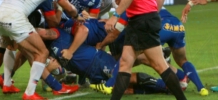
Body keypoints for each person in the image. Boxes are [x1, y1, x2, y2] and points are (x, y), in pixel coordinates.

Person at [0, 0, 82, 100]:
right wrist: (77, 16)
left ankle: (9, 83)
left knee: (21, 49)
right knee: (42, 53)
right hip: (15, 17)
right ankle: (30, 93)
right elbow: (69, 8)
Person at [95, 8, 208, 96]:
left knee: (130, 53)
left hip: (162, 25)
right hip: (177, 25)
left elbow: (119, 29)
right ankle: (201, 88)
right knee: (182, 60)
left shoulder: (132, 2)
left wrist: (102, 44)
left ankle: (109, 85)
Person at [36, 27, 169, 95]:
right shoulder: (45, 51)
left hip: (97, 60)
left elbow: (40, 32)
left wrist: (28, 33)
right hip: (91, 74)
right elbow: (58, 70)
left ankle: (165, 85)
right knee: (123, 89)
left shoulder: (56, 34)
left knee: (126, 78)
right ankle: (160, 89)